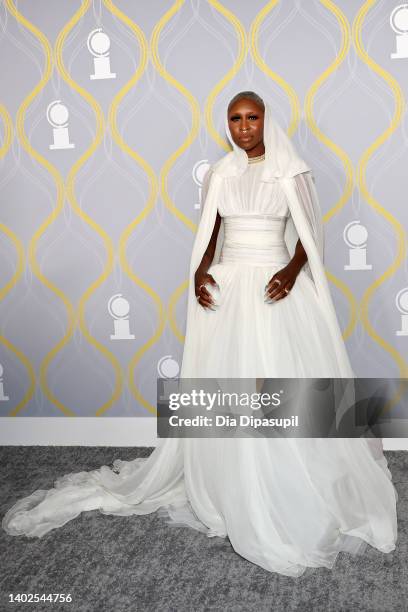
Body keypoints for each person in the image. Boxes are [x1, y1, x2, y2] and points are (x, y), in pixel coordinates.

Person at [2, 92, 398, 579]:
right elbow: (210, 231)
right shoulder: (220, 172)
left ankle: (283, 475)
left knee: (279, 378)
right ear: (227, 124)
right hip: (227, 286)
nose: (244, 126)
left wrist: (293, 272)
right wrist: (199, 272)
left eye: (253, 118)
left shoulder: (291, 170)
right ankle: (230, 475)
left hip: (274, 285)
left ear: (266, 122)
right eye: (236, 119)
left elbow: (312, 234)